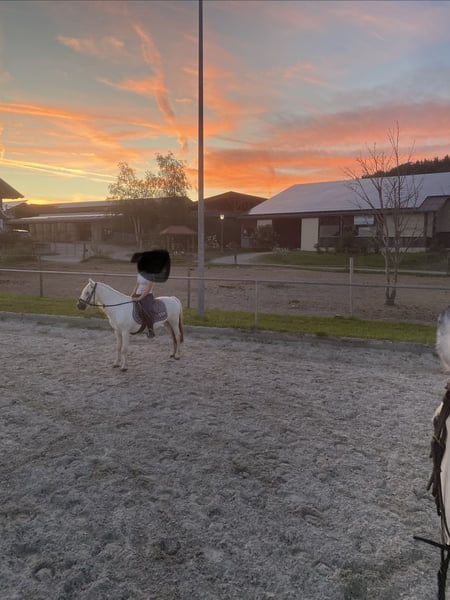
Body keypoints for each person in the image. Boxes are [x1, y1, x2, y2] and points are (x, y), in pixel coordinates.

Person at [131, 272, 155, 337]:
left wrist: (139, 298)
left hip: (147, 296)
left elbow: (148, 288)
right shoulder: (140, 273)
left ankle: (150, 329)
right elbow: (137, 285)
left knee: (147, 310)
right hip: (137, 294)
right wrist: (132, 295)